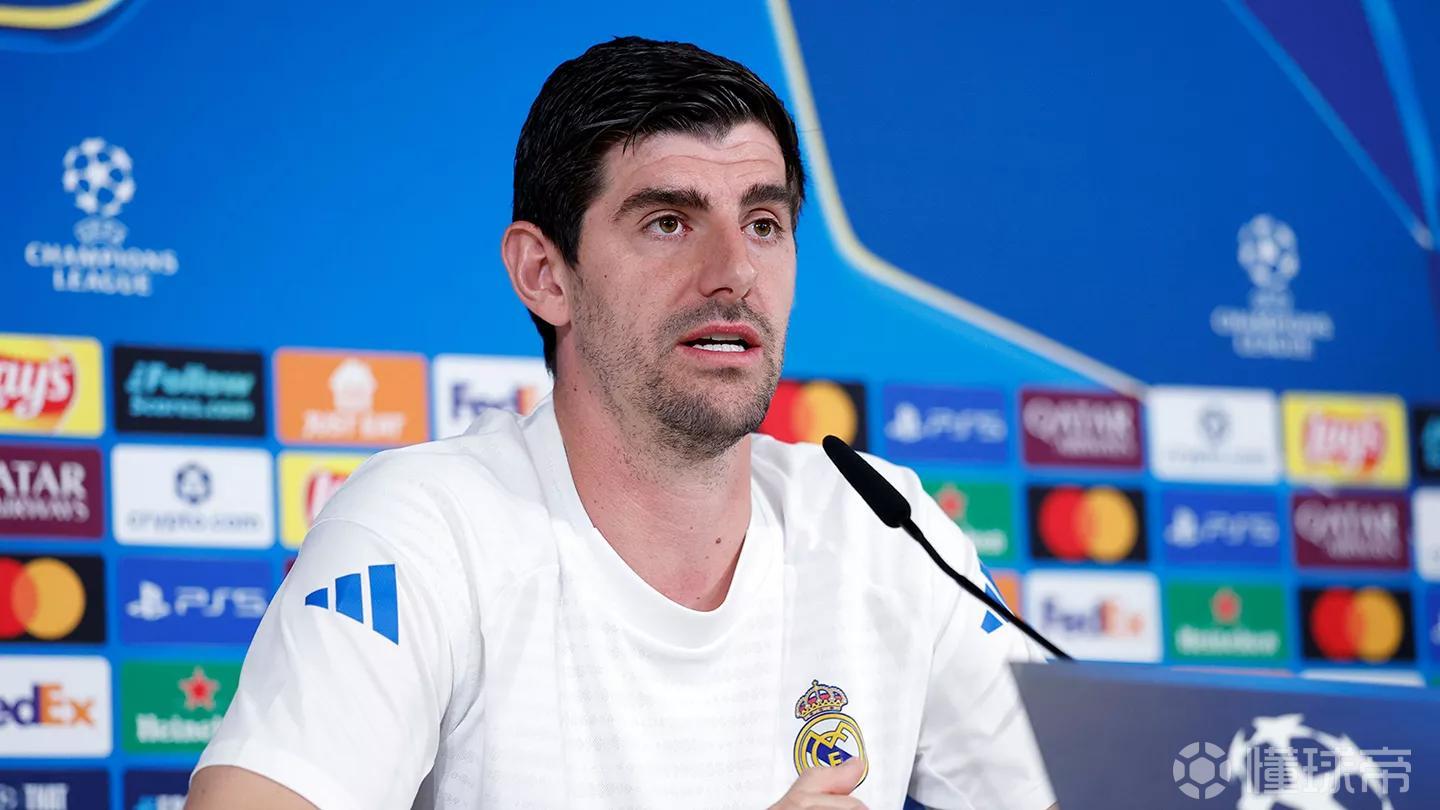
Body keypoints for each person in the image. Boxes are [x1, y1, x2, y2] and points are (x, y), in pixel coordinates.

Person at [187, 36, 1055, 810]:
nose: (735, 272)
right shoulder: (427, 529)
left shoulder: (880, 529)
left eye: (763, 223)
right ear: (544, 275)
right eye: (669, 222)